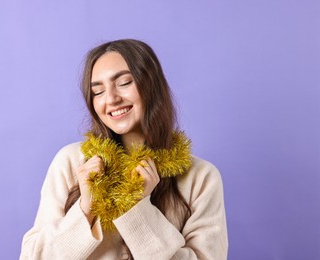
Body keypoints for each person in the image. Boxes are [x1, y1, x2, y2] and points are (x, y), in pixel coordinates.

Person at [20, 39, 228, 260]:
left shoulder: (201, 177)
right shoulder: (71, 163)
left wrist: (138, 208)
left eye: (124, 82)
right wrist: (85, 209)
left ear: (151, 85)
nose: (111, 99)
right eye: (98, 92)